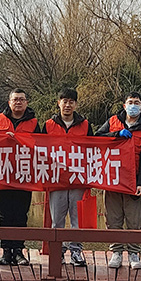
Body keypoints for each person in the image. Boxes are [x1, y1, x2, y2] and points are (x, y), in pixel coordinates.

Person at [95, 92, 141, 270]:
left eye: (136, 103)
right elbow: (96, 139)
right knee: (113, 218)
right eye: (130, 102)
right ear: (124, 105)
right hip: (112, 179)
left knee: (134, 220)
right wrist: (116, 134)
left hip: (133, 180)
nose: (133, 105)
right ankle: (116, 252)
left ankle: (134, 253)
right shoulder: (113, 121)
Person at [43, 87, 92, 267]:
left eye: (71, 102)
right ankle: (59, 252)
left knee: (77, 218)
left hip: (78, 178)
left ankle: (76, 251)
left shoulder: (85, 125)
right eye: (64, 101)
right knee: (57, 219)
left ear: (76, 104)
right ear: (59, 103)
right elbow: (38, 148)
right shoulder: (48, 124)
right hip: (56, 179)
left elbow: (94, 148)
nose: (68, 105)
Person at [0, 89, 40, 266]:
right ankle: (6, 251)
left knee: (21, 214)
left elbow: (41, 145)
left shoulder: (34, 122)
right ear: (9, 102)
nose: (18, 102)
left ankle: (19, 250)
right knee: (4, 214)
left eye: (21, 99)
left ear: (26, 102)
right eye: (15, 100)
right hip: (2, 173)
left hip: (24, 174)